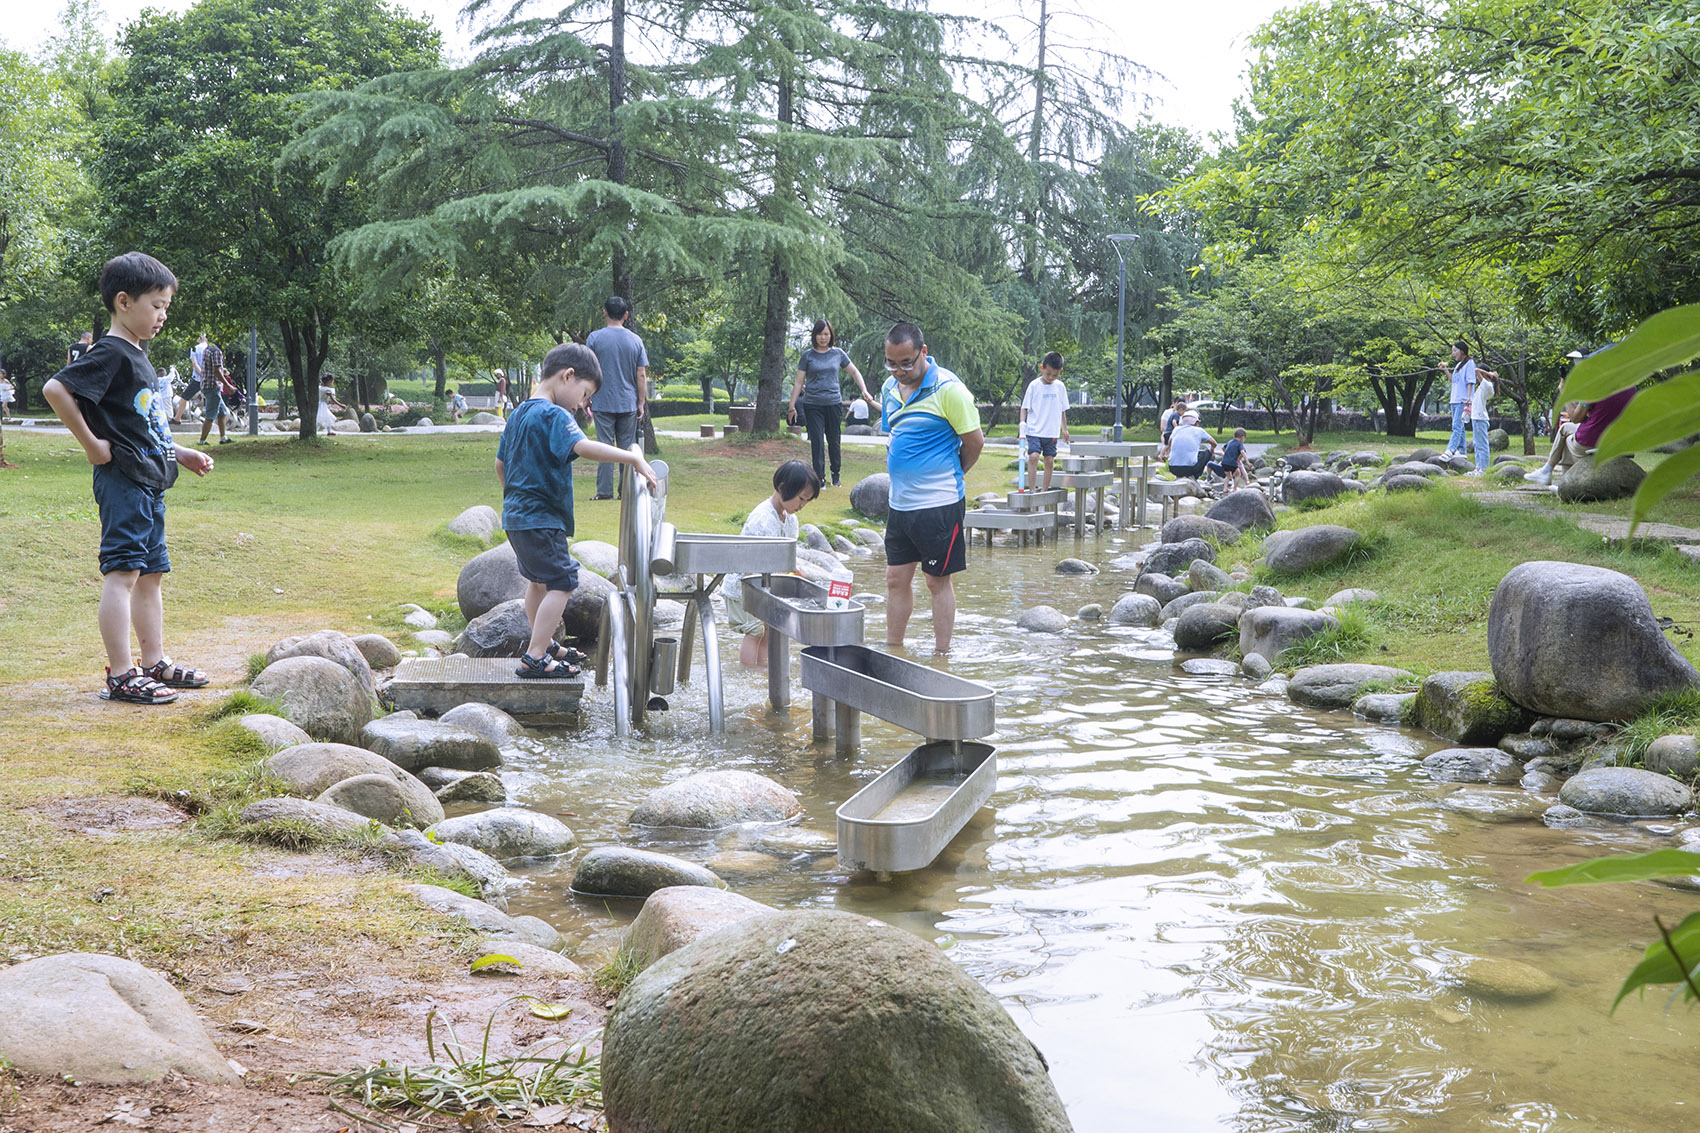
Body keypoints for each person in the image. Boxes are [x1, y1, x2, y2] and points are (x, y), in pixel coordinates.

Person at [40, 252, 215, 705]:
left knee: (150, 575)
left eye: (165, 307)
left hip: (149, 479)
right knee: (123, 574)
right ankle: (120, 673)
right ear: (123, 301)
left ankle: (153, 662)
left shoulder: (138, 355)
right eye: (156, 305)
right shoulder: (111, 352)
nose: (162, 315)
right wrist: (92, 445)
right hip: (123, 481)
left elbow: (142, 427)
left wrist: (180, 453)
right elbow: (55, 389)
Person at [496, 342, 659, 678]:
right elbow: (583, 447)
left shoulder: (519, 414)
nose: (583, 404)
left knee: (538, 583)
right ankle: (535, 656)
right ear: (567, 376)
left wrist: (515, 500)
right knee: (564, 581)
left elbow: (500, 465)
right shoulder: (554, 414)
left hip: (516, 517)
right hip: (542, 519)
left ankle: (545, 644)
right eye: (585, 394)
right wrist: (632, 458)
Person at [880, 322, 983, 654]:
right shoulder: (889, 388)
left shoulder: (949, 390)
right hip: (900, 504)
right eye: (892, 363)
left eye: (906, 363)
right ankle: (893, 648)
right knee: (895, 578)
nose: (899, 371)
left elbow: (974, 442)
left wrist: (954, 473)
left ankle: (942, 655)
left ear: (923, 352)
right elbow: (895, 436)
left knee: (936, 581)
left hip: (939, 504)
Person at [724, 460, 822, 668]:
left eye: (806, 501)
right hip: (744, 586)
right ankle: (748, 674)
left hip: (765, 586)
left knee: (769, 629)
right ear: (782, 488)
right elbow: (763, 560)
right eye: (800, 498)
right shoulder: (763, 519)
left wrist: (792, 568)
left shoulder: (790, 519)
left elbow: (785, 554)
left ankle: (763, 672)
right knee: (755, 631)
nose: (801, 505)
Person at [788, 319, 875, 488]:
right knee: (817, 442)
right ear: (815, 335)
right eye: (820, 334)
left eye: (826, 334)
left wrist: (864, 390)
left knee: (834, 440)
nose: (823, 337)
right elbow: (799, 382)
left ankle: (836, 474)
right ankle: (819, 477)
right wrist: (791, 406)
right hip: (813, 404)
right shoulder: (807, 355)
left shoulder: (838, 353)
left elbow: (854, 371)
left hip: (833, 403)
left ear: (831, 335)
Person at [586, 297, 649, 501]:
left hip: (602, 400)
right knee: (627, 448)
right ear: (626, 315)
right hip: (627, 402)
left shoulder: (594, 338)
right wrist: (640, 402)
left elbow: (588, 370)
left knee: (604, 447)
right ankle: (626, 491)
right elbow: (641, 374)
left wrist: (586, 398)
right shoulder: (636, 340)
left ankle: (604, 492)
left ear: (604, 312)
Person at [1019, 351, 1070, 491]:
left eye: (1055, 375)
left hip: (1051, 431)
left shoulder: (1060, 387)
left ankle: (1044, 490)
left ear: (1060, 371)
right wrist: (1022, 425)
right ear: (1042, 368)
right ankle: (1032, 489)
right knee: (1033, 456)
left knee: (1049, 460)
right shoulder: (1034, 385)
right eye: (1048, 374)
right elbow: (1024, 408)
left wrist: (1065, 429)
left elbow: (1062, 410)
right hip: (1034, 430)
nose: (1051, 377)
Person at [1525, 401, 1588, 486]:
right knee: (1565, 431)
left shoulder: (1592, 394)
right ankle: (1554, 475)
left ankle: (1552, 475)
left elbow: (1575, 418)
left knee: (1565, 437)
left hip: (1590, 438)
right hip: (1601, 434)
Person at [1440, 341, 1479, 459]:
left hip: (1463, 400)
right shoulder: (1458, 365)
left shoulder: (1470, 363)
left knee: (1456, 426)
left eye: (1455, 351)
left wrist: (1468, 398)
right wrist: (1445, 370)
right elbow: (1453, 381)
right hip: (1454, 400)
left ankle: (1450, 450)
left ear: (1462, 351)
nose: (1453, 353)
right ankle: (1462, 452)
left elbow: (1470, 381)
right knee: (1460, 427)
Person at [1466, 360, 1501, 475]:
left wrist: (1490, 374)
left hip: (1480, 418)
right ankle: (1478, 468)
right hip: (1476, 417)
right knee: (1477, 444)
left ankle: (1484, 469)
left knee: (1482, 444)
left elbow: (1476, 370)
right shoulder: (1484, 385)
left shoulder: (1488, 385)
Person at [1164, 411, 1217, 478]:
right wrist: (1212, 451)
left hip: (1173, 468)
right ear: (1196, 422)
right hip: (1190, 468)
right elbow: (1214, 443)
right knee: (1207, 453)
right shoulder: (1199, 430)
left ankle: (1179, 477)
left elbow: (1169, 443)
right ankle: (1194, 477)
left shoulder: (1176, 430)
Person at [198, 339, 231, 445]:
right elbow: (216, 371)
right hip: (213, 386)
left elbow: (211, 368)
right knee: (210, 415)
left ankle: (223, 437)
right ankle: (202, 441)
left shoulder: (207, 349)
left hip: (206, 385)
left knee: (222, 412)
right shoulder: (216, 352)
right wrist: (228, 385)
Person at [315, 372, 345, 438]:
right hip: (322, 405)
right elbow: (332, 399)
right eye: (332, 381)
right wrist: (340, 405)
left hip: (319, 403)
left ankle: (329, 431)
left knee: (327, 417)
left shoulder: (320, 388)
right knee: (320, 419)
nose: (332, 383)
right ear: (329, 381)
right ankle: (315, 432)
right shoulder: (327, 390)